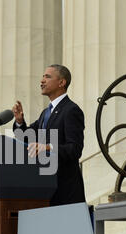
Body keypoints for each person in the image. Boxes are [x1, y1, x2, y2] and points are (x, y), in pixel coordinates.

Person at [12, 64, 86, 206]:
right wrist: (20, 122)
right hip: (45, 189)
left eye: (47, 76)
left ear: (61, 82)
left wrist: (47, 147)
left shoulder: (71, 110)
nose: (42, 81)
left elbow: (75, 149)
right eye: (42, 77)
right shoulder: (46, 113)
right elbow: (25, 137)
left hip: (65, 192)